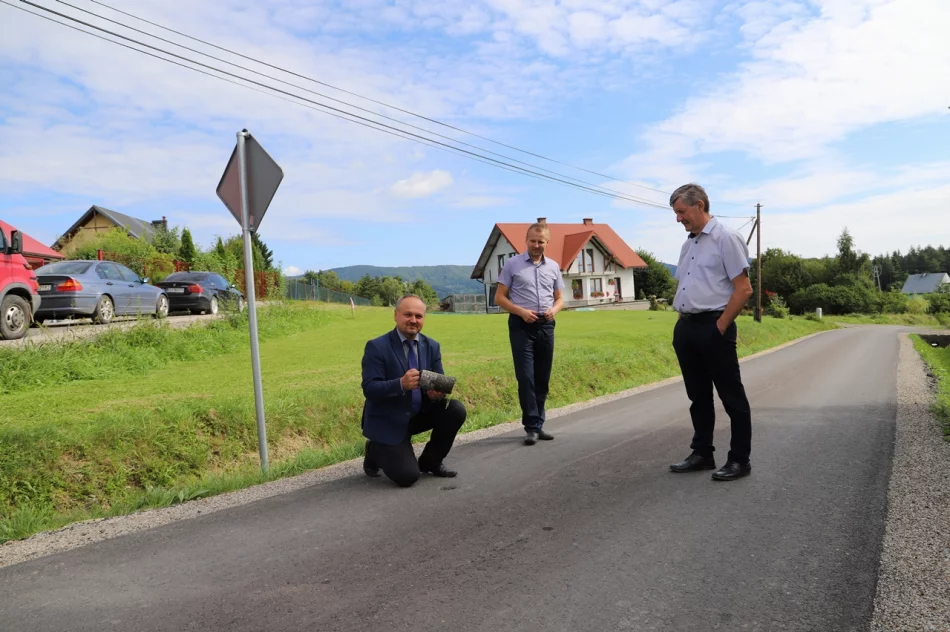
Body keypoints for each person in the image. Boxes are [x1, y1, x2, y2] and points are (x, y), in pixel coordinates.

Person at [668, 183, 754, 481]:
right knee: (698, 397)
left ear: (700, 206)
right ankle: (702, 452)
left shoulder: (726, 238)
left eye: (681, 212)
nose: (678, 219)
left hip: (714, 326)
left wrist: (719, 327)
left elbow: (743, 289)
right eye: (676, 213)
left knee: (732, 397)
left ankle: (739, 460)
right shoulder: (688, 244)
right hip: (687, 328)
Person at [361, 294, 467, 487]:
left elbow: (438, 381)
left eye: (418, 316)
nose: (413, 320)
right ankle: (375, 449)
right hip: (389, 420)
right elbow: (370, 389)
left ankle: (430, 462)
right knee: (407, 477)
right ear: (395, 315)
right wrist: (400, 384)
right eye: (407, 314)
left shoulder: (432, 346)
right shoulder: (377, 347)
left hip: (417, 413)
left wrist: (437, 394)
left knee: (455, 410)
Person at [495, 222, 565, 445]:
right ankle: (531, 427)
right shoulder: (512, 265)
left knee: (542, 377)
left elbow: (560, 298)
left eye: (541, 241)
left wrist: (554, 310)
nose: (536, 245)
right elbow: (499, 298)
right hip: (521, 325)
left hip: (546, 325)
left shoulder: (553, 266)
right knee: (526, 377)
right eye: (533, 241)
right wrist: (521, 312)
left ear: (547, 242)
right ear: (526, 241)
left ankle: (538, 424)